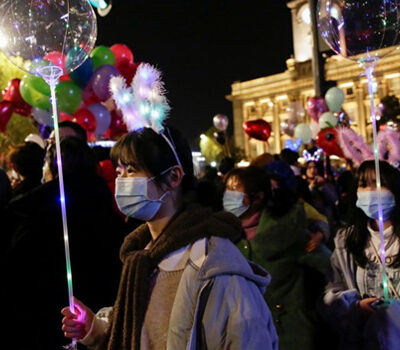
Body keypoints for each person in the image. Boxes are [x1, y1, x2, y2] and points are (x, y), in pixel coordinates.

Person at [61, 127, 278, 350]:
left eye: (132, 171)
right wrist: (95, 329)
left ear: (174, 177)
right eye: (119, 172)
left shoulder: (213, 263)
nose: (122, 181)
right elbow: (143, 335)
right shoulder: (141, 255)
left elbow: (246, 339)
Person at [3, 137, 129, 350]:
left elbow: (17, 272)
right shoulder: (106, 208)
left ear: (52, 167)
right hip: (100, 326)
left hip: (47, 324)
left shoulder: (35, 212)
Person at [223, 165, 331, 350]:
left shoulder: (287, 230)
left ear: (258, 197)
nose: (229, 196)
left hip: (291, 334)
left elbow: (330, 266)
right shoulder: (224, 235)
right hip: (246, 336)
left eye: (235, 190)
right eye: (228, 190)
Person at [323, 160, 400, 349]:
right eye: (364, 185)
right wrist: (355, 308)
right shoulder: (346, 240)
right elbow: (332, 289)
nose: (372, 191)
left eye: (379, 184)